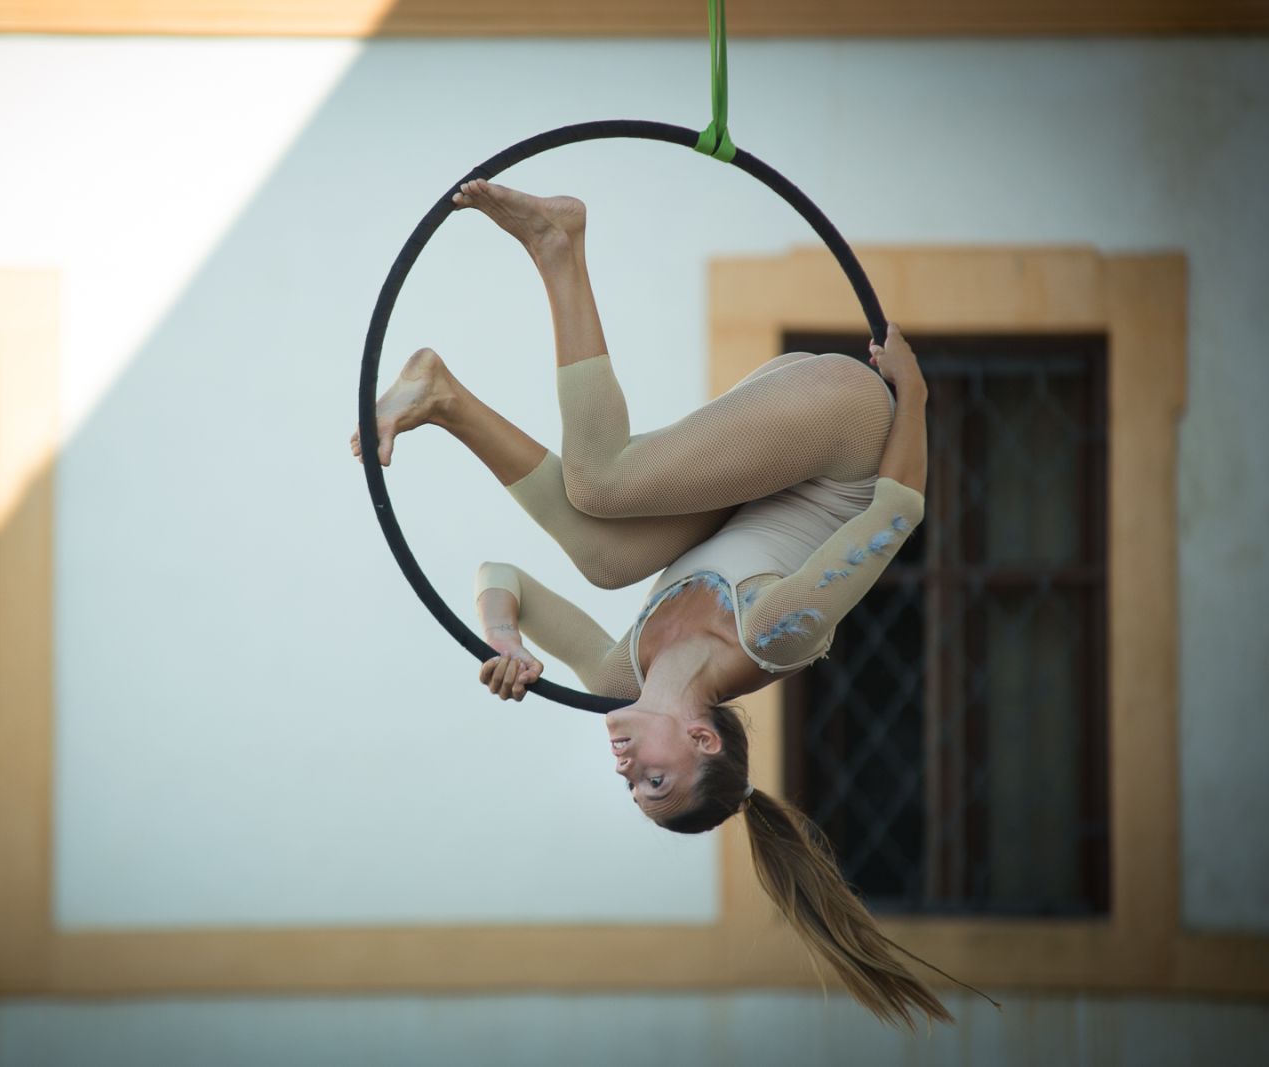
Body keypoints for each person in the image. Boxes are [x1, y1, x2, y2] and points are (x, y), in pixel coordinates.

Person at [351, 179, 961, 1028]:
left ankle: (442, 396)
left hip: (767, 472)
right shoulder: (774, 634)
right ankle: (557, 246)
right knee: (602, 481)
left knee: (606, 557)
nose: (626, 771)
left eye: (633, 787)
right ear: (704, 739)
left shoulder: (621, 672)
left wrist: (505, 638)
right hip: (849, 435)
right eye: (656, 778)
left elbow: (504, 574)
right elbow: (894, 517)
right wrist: (915, 395)